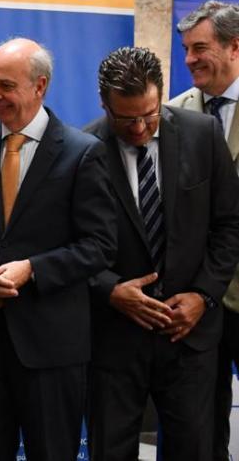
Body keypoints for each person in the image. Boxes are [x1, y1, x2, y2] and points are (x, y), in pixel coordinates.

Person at [0, 37, 115, 460]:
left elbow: (100, 247)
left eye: (6, 86)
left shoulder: (82, 153)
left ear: (40, 86)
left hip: (52, 348)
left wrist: (32, 269)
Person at [84, 46, 239, 460]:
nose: (138, 128)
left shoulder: (201, 135)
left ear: (161, 95)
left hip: (189, 337)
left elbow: (229, 225)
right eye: (126, 118)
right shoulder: (82, 149)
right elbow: (70, 244)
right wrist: (109, 290)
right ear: (104, 104)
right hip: (114, 341)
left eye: (149, 115)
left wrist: (203, 295)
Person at [168, 0, 239, 461]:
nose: (190, 59)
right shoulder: (172, 116)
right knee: (201, 429)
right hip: (199, 303)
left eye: (200, 48)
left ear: (235, 47)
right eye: (186, 49)